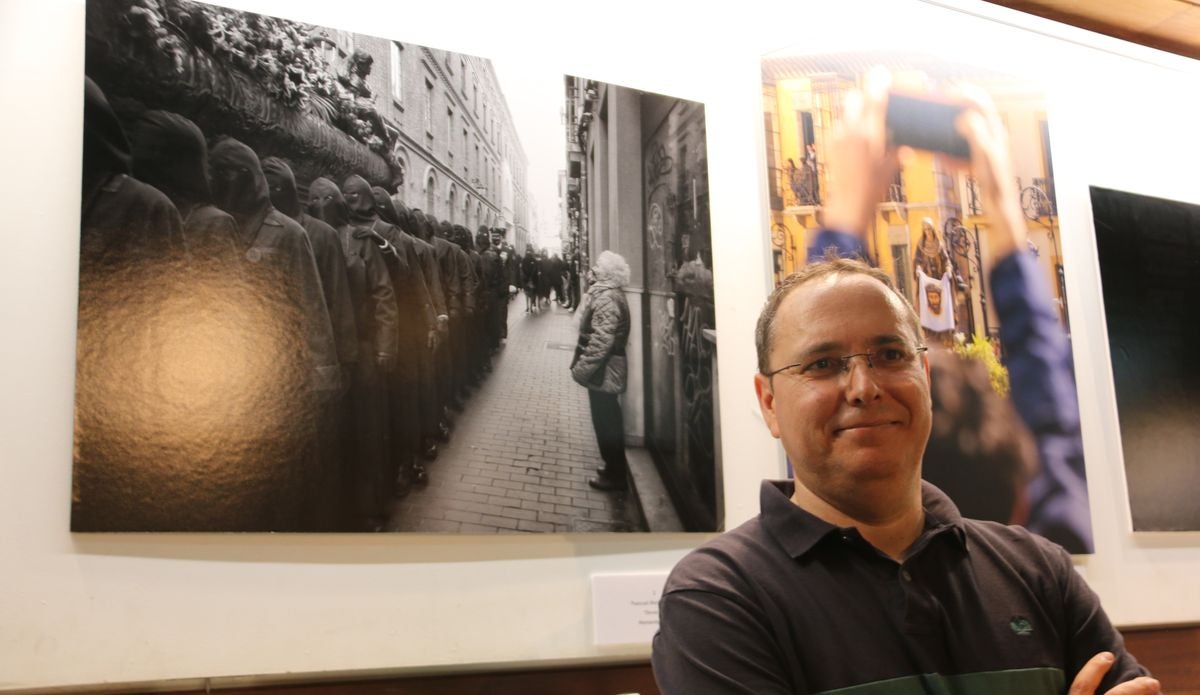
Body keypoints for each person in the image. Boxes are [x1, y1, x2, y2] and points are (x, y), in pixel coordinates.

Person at [651, 71, 1158, 695]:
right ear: (768, 402)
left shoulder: (1038, 570)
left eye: (890, 353)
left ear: (922, 369)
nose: (864, 386)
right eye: (821, 364)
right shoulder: (720, 598)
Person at [570, 251, 632, 492]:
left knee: (606, 423)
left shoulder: (606, 298)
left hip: (605, 369)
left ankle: (616, 476)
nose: (592, 270)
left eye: (596, 267)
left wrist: (581, 370)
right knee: (607, 419)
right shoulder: (608, 294)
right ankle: (612, 467)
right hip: (606, 368)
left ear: (606, 273)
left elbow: (600, 342)